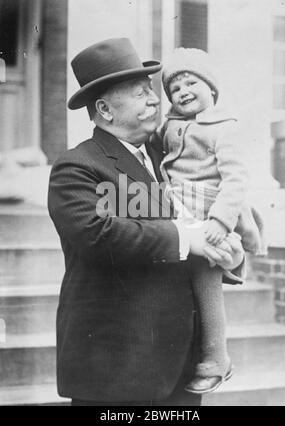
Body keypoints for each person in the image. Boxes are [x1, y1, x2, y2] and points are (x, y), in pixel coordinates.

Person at [48, 38, 245, 406]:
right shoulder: (78, 166)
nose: (157, 100)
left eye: (153, 91)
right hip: (117, 371)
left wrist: (229, 254)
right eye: (141, 94)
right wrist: (188, 239)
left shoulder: (170, 154)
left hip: (182, 367)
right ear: (105, 109)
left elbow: (210, 212)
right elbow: (98, 235)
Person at [157, 47, 266, 394]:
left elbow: (236, 180)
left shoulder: (223, 127)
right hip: (175, 212)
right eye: (175, 88)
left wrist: (220, 221)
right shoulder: (169, 126)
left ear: (211, 89)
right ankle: (182, 357)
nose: (184, 91)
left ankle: (217, 359)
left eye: (192, 82)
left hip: (207, 214)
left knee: (207, 288)